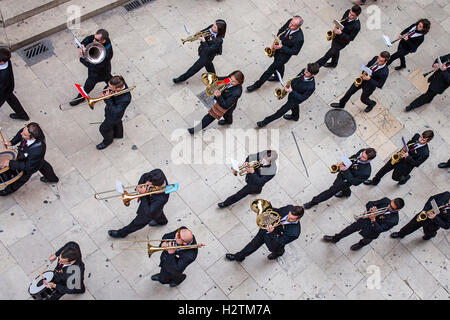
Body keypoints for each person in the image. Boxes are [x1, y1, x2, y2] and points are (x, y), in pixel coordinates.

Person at [303, 148, 376, 209]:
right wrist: (344, 163)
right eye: (362, 154)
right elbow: (354, 157)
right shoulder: (362, 152)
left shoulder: (366, 172)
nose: (360, 157)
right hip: (342, 173)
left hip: (345, 181)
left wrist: (345, 170)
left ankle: (313, 202)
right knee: (345, 188)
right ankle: (347, 193)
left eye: (363, 157)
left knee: (331, 191)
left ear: (369, 160)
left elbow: (355, 182)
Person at [246, 16, 304, 92]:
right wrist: (277, 40)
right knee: (279, 66)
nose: (290, 25)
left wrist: (281, 47)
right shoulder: (290, 21)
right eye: (290, 23)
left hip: (283, 56)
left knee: (269, 71)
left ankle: (257, 85)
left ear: (299, 26)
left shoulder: (300, 38)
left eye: (293, 25)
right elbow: (281, 30)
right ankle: (278, 77)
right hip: (277, 49)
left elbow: (295, 51)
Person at [225, 205, 303, 261]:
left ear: (299, 219)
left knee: (278, 250)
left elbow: (279, 242)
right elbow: (277, 211)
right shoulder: (289, 208)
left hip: (274, 240)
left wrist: (272, 233)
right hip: (266, 230)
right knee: (252, 245)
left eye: (292, 219)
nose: (288, 218)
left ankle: (277, 254)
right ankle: (239, 256)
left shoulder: (294, 233)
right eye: (288, 216)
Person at [108, 169, 170, 238]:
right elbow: (144, 176)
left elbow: (148, 212)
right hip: (155, 207)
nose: (146, 184)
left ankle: (121, 233)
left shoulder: (162, 199)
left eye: (149, 185)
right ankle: (162, 221)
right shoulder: (157, 173)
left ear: (157, 187)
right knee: (158, 212)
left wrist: (143, 194)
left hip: (149, 212)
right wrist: (139, 186)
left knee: (136, 223)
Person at [323, 197, 404, 250]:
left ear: (397, 210)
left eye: (392, 208)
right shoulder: (386, 201)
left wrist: (373, 220)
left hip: (373, 230)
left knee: (366, 240)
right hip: (365, 220)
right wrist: (371, 208)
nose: (388, 207)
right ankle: (335, 238)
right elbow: (370, 203)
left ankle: (360, 245)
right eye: (390, 204)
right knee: (348, 229)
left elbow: (380, 230)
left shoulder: (394, 220)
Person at [0, 123, 59, 196]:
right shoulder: (28, 130)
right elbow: (20, 133)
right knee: (42, 164)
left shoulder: (38, 150)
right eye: (23, 131)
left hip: (31, 164)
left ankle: (7, 190)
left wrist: (10, 163)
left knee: (21, 178)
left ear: (32, 137)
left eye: (24, 134)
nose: (22, 134)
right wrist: (12, 142)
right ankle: (52, 178)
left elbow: (28, 166)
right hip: (34, 160)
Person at [256, 63, 319, 127]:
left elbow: (302, 98)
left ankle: (264, 122)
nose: (305, 72)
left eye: (307, 72)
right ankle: (295, 116)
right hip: (292, 92)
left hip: (295, 99)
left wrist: (292, 91)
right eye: (306, 69)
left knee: (280, 112)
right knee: (295, 107)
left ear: (313, 75)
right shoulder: (304, 71)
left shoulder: (311, 87)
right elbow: (296, 78)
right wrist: (288, 85)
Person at [364, 130, 433, 186]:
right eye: (421, 137)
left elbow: (417, 164)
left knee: (395, 177)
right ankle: (375, 181)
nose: (420, 140)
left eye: (423, 140)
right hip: (398, 157)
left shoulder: (425, 153)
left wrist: (408, 157)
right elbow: (409, 144)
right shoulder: (416, 136)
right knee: (383, 170)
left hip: (404, 166)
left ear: (428, 141)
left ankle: (404, 179)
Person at [70, 29, 113, 106]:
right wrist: (81, 45)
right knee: (89, 86)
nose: (93, 40)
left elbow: (92, 66)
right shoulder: (98, 38)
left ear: (103, 41)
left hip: (100, 72)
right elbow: (88, 38)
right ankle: (81, 98)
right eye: (94, 37)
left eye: (96, 40)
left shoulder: (108, 53)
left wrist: (82, 58)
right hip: (95, 69)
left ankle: (80, 98)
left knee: (89, 86)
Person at [96, 75, 131, 150]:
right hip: (111, 111)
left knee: (103, 128)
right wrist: (106, 93)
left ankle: (107, 141)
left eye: (111, 88)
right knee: (117, 122)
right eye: (108, 85)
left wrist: (107, 99)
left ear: (118, 88)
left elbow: (116, 111)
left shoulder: (126, 98)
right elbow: (106, 89)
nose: (108, 88)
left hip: (114, 115)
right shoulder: (116, 84)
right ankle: (118, 134)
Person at [0, 48, 30, 120]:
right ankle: (23, 115)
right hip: (8, 87)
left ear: (2, 62)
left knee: (9, 98)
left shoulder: (3, 75)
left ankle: (22, 115)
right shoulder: (6, 60)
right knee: (12, 100)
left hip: (3, 90)